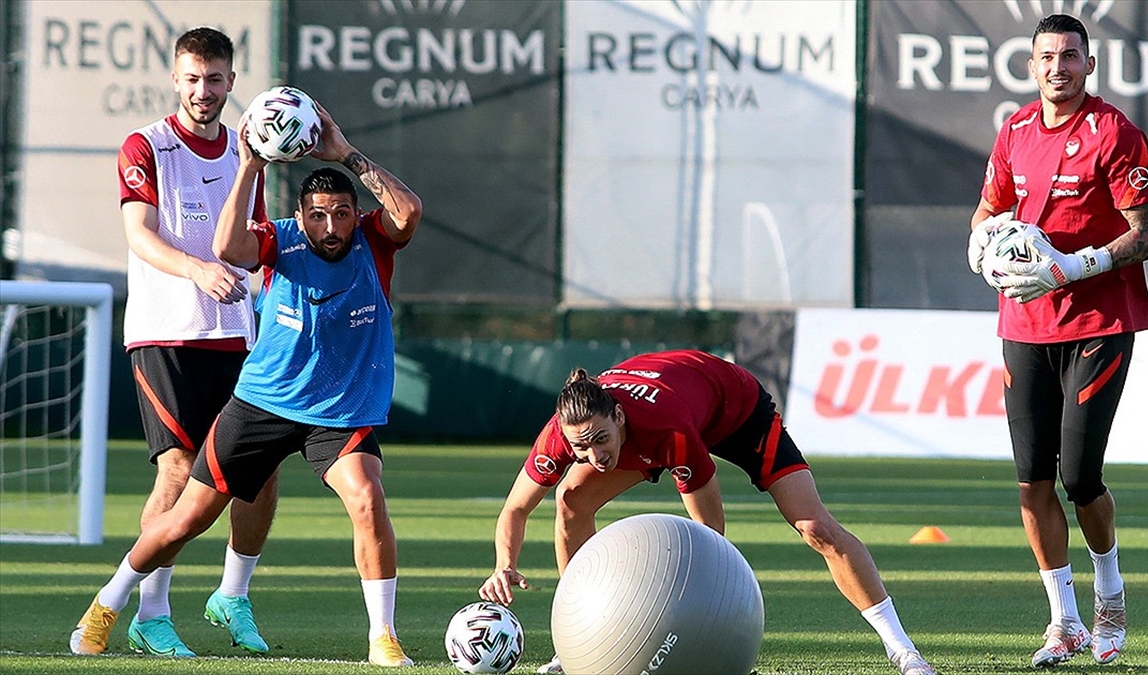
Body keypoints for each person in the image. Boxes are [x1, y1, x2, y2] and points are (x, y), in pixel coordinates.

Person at [70, 98, 423, 667]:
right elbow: (225, 248)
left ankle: (382, 635)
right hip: (261, 404)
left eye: (340, 214)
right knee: (187, 518)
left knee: (367, 496)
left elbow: (408, 212)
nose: (329, 227)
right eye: (318, 215)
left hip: (337, 413)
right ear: (300, 216)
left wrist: (347, 154)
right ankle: (108, 603)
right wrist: (251, 165)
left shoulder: (373, 241)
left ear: (356, 214)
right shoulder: (278, 240)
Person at [478, 349, 938, 675]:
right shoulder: (561, 436)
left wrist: (707, 610)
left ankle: (903, 652)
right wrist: (505, 565)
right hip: (675, 409)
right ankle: (573, 644)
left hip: (737, 409)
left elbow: (711, 536)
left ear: (618, 417)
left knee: (816, 526)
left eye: (600, 439)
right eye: (581, 446)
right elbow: (516, 508)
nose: (594, 454)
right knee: (571, 500)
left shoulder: (667, 431)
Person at [966, 14, 1148, 669]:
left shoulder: (1114, 133)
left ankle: (1111, 598)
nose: (1059, 67)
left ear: (1088, 65)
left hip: (1099, 325)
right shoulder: (1015, 130)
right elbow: (989, 209)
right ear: (1031, 66)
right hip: (1023, 325)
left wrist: (1073, 265)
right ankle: (1065, 622)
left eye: (1070, 56)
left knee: (1079, 478)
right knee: (1031, 483)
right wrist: (979, 240)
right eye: (1047, 56)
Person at [106, 26, 277, 657]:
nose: (203, 90)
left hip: (238, 334)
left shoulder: (247, 151)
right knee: (179, 470)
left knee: (256, 475)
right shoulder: (144, 145)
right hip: (165, 334)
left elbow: (250, 238)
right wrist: (198, 269)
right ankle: (151, 612)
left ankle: (233, 594)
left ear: (233, 82)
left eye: (215, 79)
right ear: (175, 80)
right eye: (192, 78)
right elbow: (139, 234)